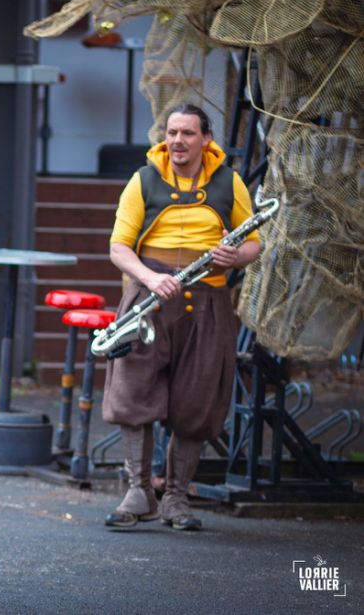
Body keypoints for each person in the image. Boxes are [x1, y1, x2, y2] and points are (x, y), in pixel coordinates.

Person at [101, 104, 261, 531]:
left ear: (206, 139)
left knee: (197, 399)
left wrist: (235, 255)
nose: (177, 141)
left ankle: (175, 498)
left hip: (208, 302)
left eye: (188, 133)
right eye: (172, 132)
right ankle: (138, 492)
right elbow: (119, 247)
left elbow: (254, 244)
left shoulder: (230, 183)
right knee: (132, 391)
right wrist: (150, 278)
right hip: (148, 299)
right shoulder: (144, 179)